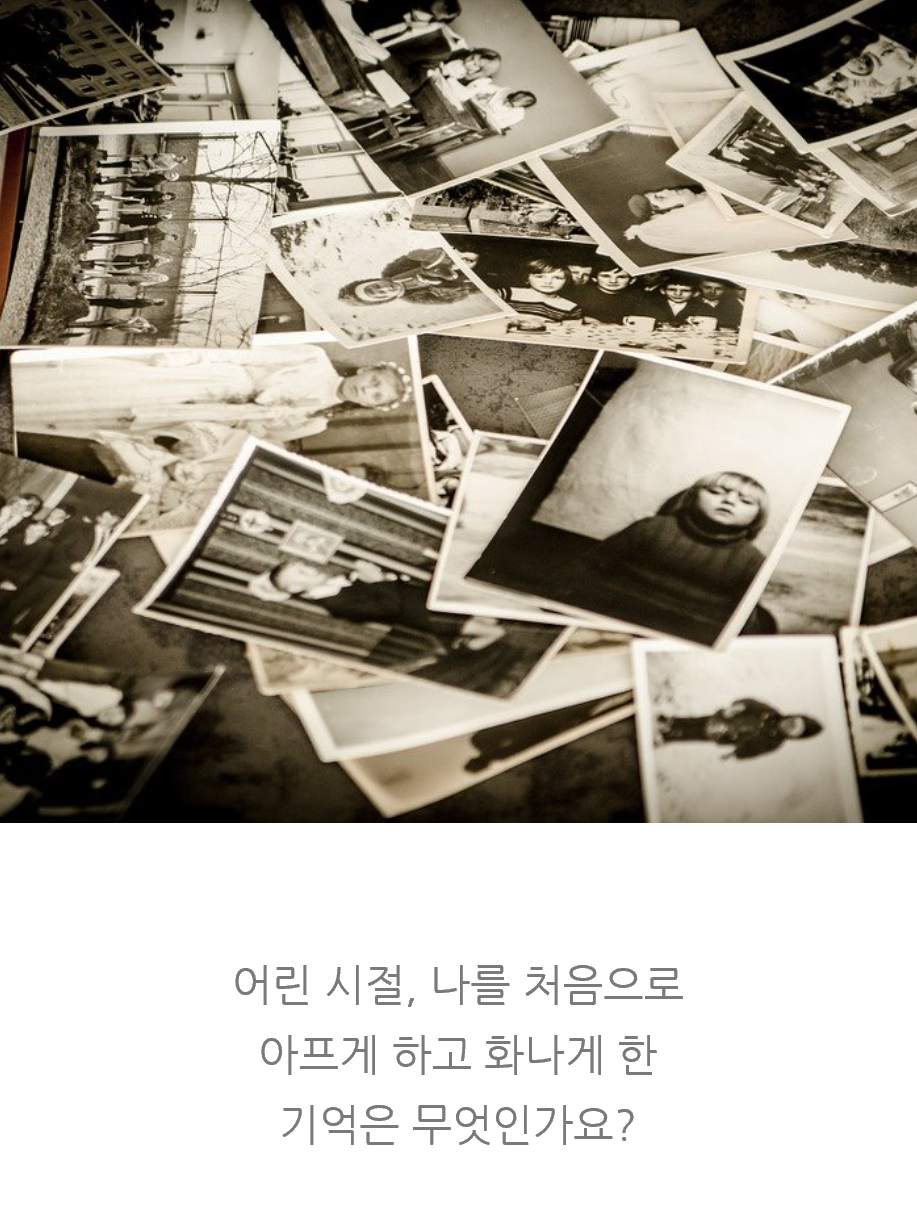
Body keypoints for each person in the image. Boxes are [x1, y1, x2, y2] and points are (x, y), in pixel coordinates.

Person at [13, 347, 416, 439]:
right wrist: (188, 359)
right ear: (366, 369)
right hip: (213, 381)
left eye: (375, 396)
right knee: (113, 388)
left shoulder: (315, 424)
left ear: (370, 406)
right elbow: (248, 355)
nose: (368, 389)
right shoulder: (314, 358)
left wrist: (261, 421)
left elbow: (256, 436)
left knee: (117, 418)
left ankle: (24, 416)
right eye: (374, 381)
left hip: (206, 417)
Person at [579, 471, 776, 645]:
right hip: (614, 610)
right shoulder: (651, 528)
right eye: (716, 492)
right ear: (691, 497)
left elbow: (742, 618)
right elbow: (589, 566)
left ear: (758, 517)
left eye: (745, 501)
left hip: (688, 630)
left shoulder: (753, 561)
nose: (729, 501)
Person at [656, 700, 823, 760]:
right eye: (792, 721)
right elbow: (751, 703)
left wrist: (736, 754)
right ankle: (671, 721)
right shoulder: (770, 712)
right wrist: (739, 706)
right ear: (791, 716)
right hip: (726, 719)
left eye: (792, 729)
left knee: (697, 734)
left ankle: (668, 736)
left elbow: (753, 749)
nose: (787, 724)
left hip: (727, 735)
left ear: (793, 737)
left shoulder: (773, 742)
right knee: (699, 721)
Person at [498, 257, 583, 323]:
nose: (548, 282)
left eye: (557, 278)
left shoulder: (571, 308)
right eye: (539, 276)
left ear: (566, 281)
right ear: (527, 278)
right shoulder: (507, 293)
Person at [574, 257, 650, 324]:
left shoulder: (638, 297)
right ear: (594, 278)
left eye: (621, 277)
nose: (613, 281)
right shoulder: (580, 294)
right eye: (606, 276)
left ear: (632, 280)